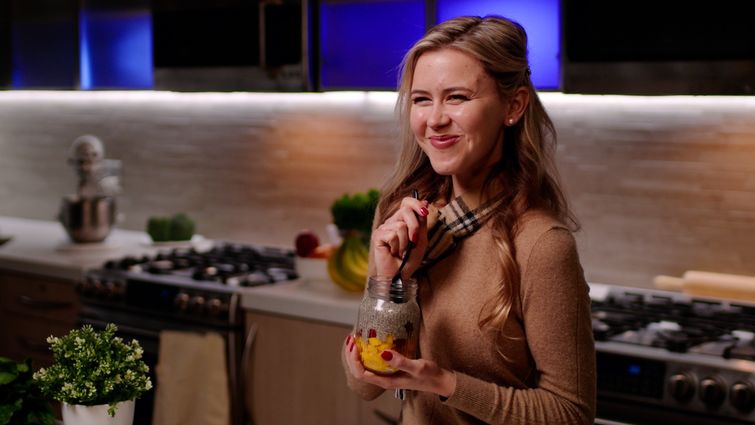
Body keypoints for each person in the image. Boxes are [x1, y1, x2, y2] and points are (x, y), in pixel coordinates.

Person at [341, 15, 596, 424]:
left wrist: (444, 383)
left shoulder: (541, 244)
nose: (434, 119)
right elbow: (368, 383)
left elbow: (570, 414)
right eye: (421, 99)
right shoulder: (400, 215)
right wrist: (391, 283)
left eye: (456, 97)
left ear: (513, 106)